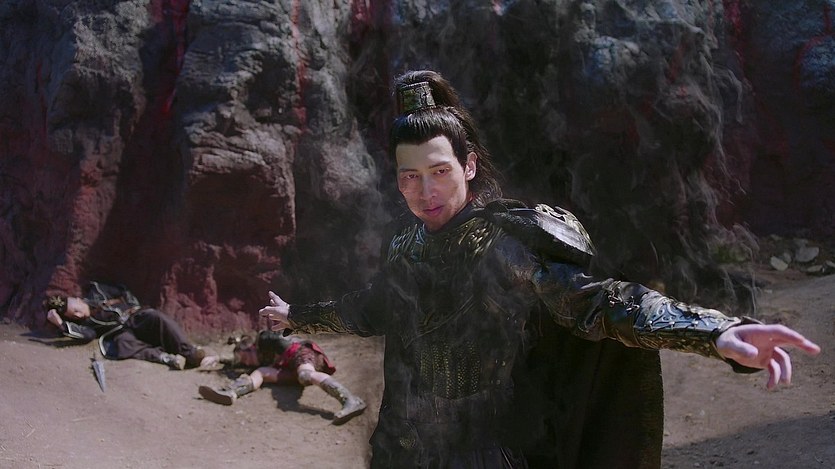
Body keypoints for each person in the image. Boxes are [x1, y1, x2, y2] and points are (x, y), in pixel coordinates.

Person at [258, 70, 821, 468]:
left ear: (468, 166)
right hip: (407, 448)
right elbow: (370, 307)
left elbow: (600, 302)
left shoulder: (503, 245)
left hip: (488, 450)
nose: (425, 191)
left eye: (439, 171)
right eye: (410, 177)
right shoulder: (405, 245)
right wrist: (298, 316)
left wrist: (715, 332)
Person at [197, 330, 367, 424]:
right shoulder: (261, 359)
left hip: (301, 355)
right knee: (261, 372)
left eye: (245, 357)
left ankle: (350, 400)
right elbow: (235, 361)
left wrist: (262, 339)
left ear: (251, 348)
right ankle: (231, 392)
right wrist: (218, 358)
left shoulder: (265, 341)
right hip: (290, 369)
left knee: (305, 375)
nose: (246, 362)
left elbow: (283, 340)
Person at [44, 281, 214, 370]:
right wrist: (60, 323)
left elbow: (123, 291)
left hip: (136, 317)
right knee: (123, 344)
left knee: (156, 317)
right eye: (73, 316)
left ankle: (191, 354)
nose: (78, 314)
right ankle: (168, 358)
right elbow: (87, 335)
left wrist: (133, 306)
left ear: (78, 299)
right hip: (122, 332)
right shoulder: (87, 323)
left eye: (76, 309)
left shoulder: (97, 291)